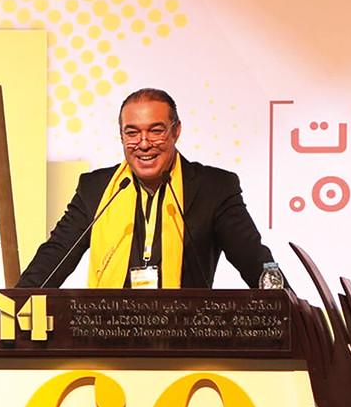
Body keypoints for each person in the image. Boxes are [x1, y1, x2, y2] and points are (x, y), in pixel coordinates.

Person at [17, 88, 274, 289]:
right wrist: (9, 307)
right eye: (132, 133)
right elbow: (54, 258)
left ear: (176, 131)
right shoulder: (96, 189)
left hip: (186, 334)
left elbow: (254, 260)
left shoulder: (214, 188)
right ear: (121, 135)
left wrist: (291, 308)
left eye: (155, 131)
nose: (143, 143)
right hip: (107, 332)